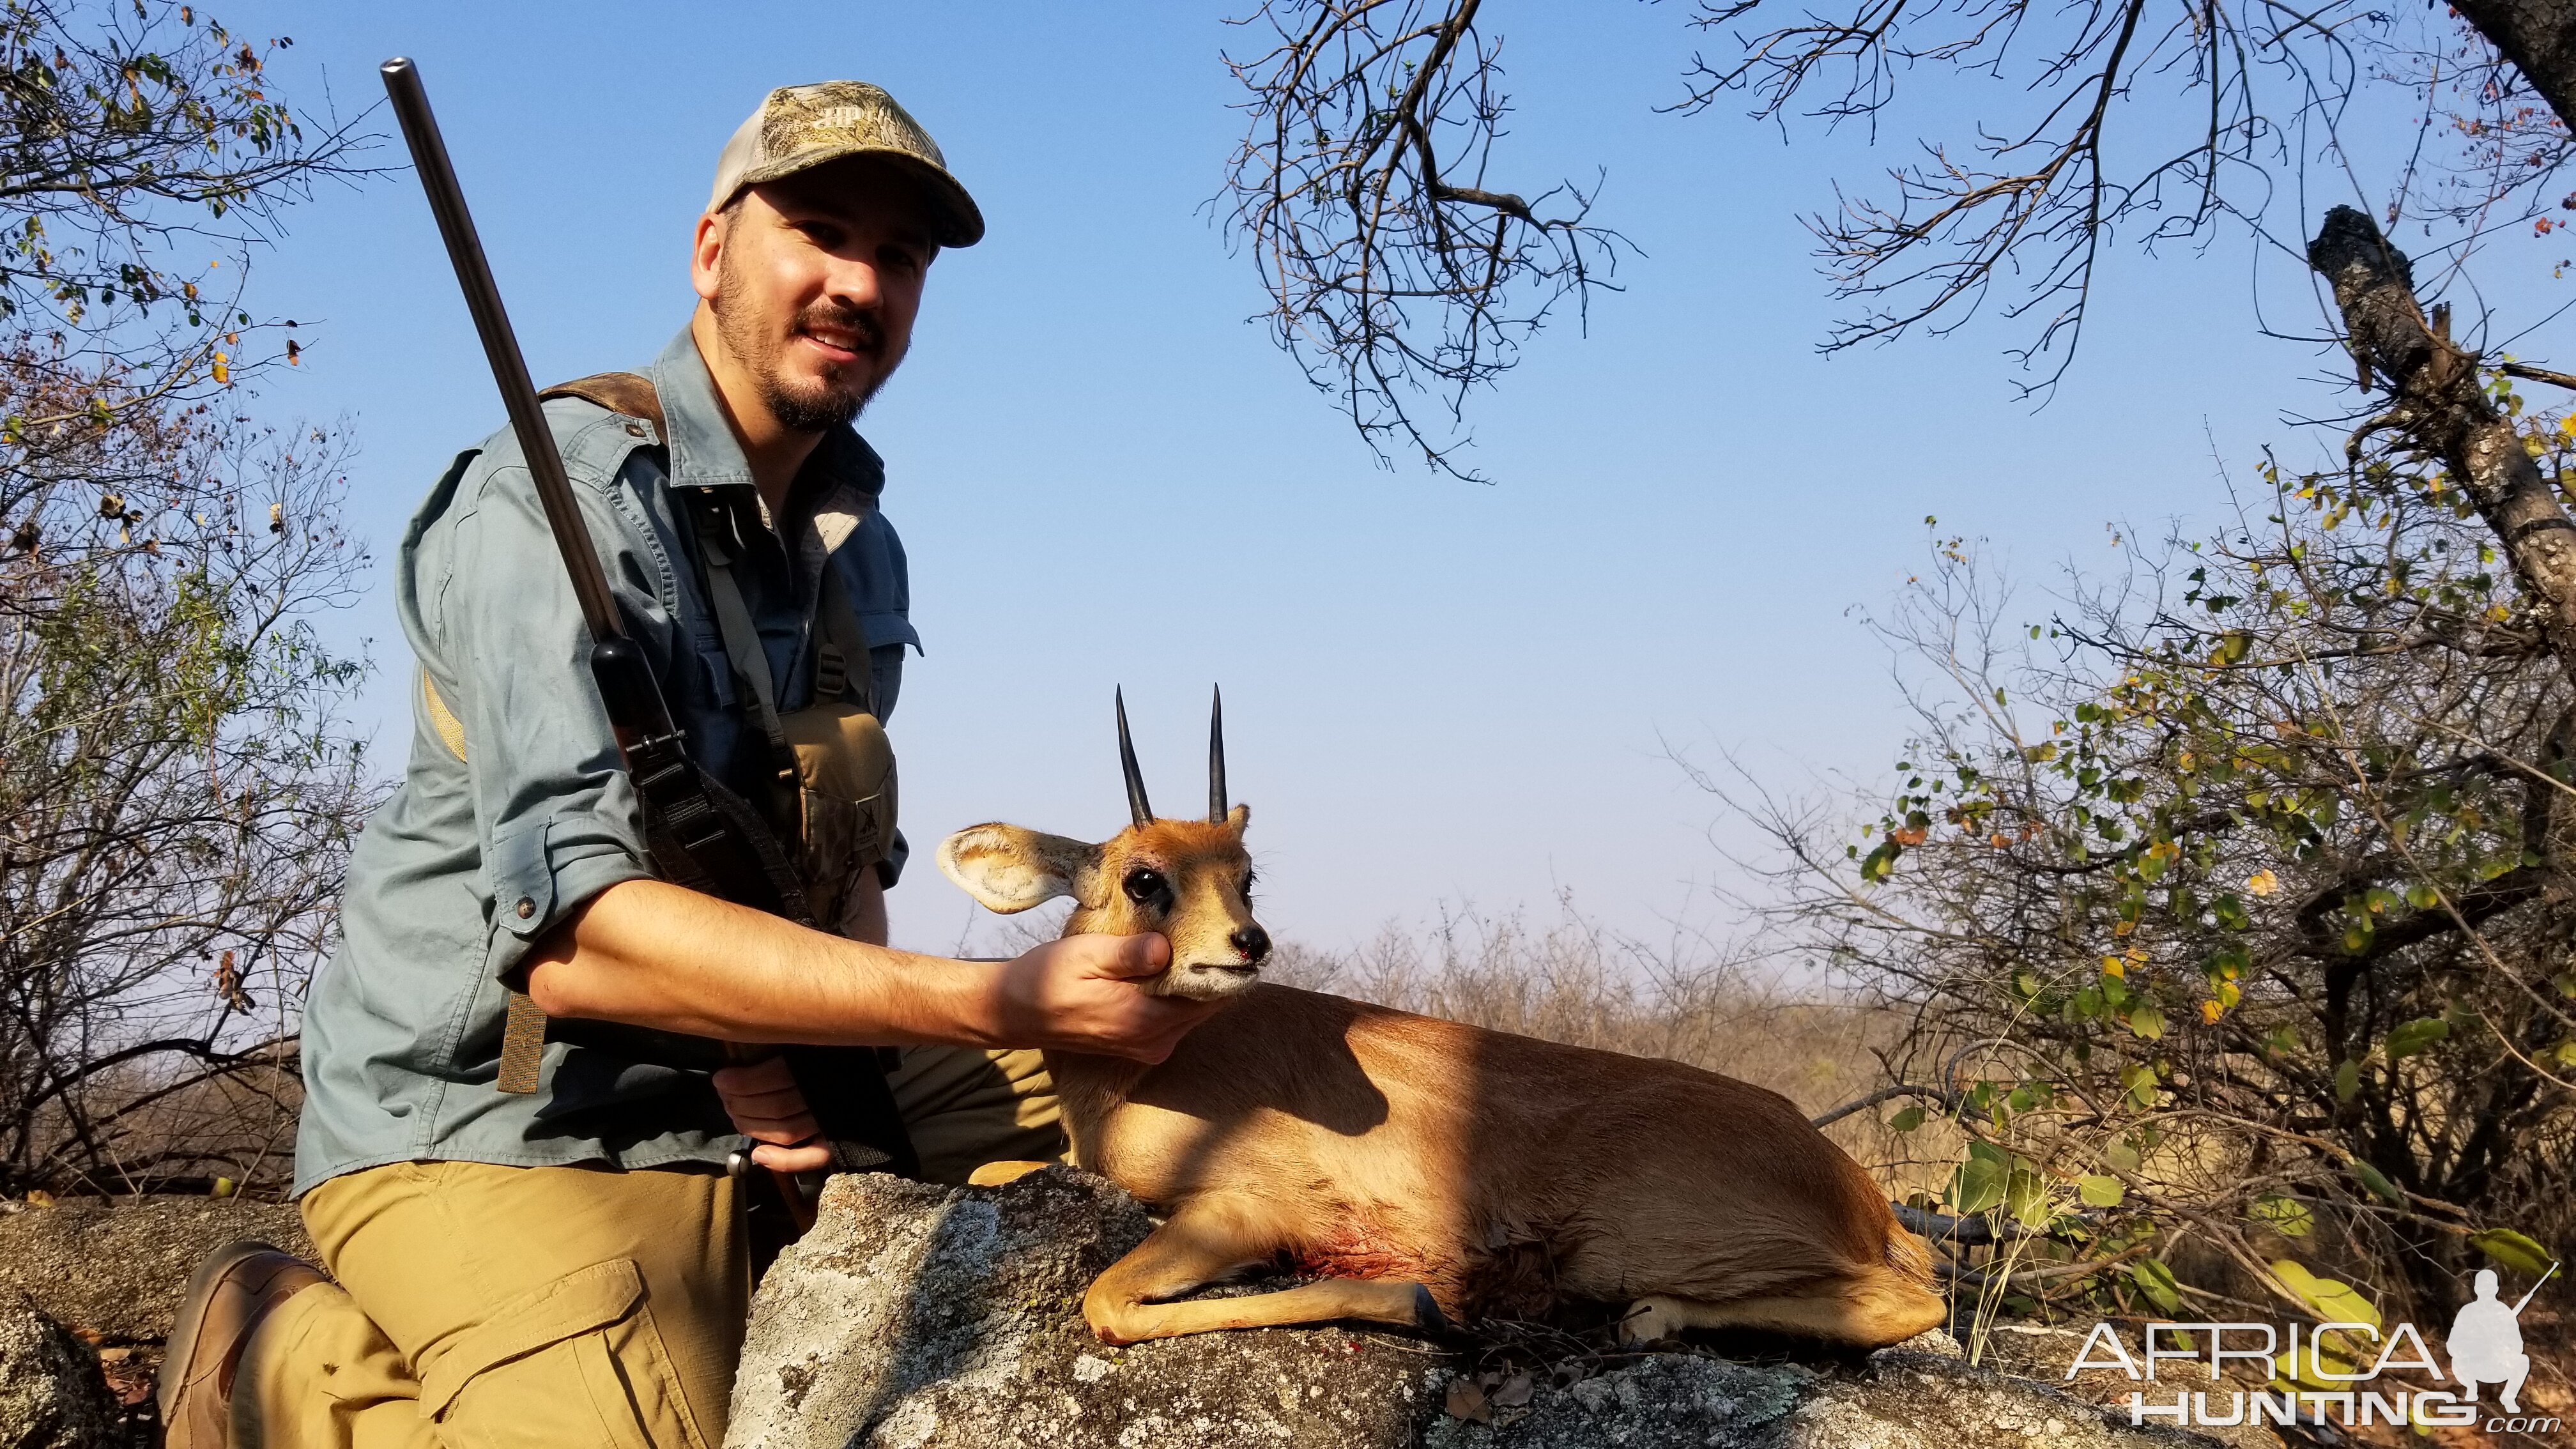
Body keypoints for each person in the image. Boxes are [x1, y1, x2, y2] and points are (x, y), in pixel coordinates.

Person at [154, 80, 1222, 1449]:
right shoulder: (554, 502)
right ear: (713, 251)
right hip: (520, 1115)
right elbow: (576, 941)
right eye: (820, 231)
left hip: (740, 1068)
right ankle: (276, 1356)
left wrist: (820, 1074)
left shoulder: (858, 541)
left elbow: (838, 875)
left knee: (1193, 1118)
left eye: (897, 257)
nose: (858, 282)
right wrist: (990, 998)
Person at [2447, 1268, 2531, 1414]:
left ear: (2496, 1289)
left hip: (2498, 1365)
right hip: (2473, 1365)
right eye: (2483, 1287)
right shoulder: (2467, 1311)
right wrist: (2470, 1348)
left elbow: (2518, 1344)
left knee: (2523, 1361)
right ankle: (2471, 1389)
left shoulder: (2505, 1312)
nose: (2486, 1291)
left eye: (2490, 1287)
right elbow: (2453, 1344)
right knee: (2457, 1361)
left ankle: (2508, 1397)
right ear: (2476, 1289)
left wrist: (2505, 1349)